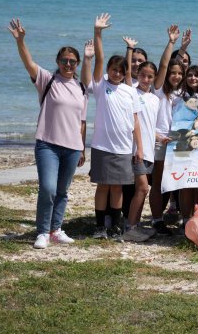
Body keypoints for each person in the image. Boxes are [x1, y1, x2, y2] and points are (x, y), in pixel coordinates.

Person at [9, 18, 87, 249]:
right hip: (48, 145)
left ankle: (56, 229)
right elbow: (28, 62)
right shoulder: (47, 79)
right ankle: (42, 231)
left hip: (73, 147)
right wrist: (21, 41)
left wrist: (82, 147)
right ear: (57, 61)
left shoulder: (81, 88)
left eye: (73, 61)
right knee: (48, 188)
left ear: (78, 63)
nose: (68, 64)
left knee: (62, 190)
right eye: (64, 60)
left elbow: (81, 121)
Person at [83, 13, 144, 239]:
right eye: (113, 69)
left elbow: (135, 121)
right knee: (103, 187)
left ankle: (116, 227)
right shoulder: (100, 86)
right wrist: (97, 33)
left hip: (123, 148)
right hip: (102, 145)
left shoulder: (130, 91)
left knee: (117, 188)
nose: (116, 73)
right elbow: (99, 59)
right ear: (108, 70)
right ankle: (100, 227)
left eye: (121, 71)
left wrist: (139, 148)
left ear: (125, 73)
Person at [150, 26, 188, 235]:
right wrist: (172, 43)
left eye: (179, 73)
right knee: (157, 182)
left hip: (179, 142)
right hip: (161, 140)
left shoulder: (183, 91)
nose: (175, 76)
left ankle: (183, 218)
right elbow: (164, 64)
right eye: (172, 73)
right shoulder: (158, 90)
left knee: (180, 182)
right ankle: (157, 220)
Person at [122, 37, 160, 242]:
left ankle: (133, 225)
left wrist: (161, 137)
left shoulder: (155, 99)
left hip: (149, 151)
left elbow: (149, 126)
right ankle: (130, 227)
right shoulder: (131, 92)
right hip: (137, 150)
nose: (146, 79)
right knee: (143, 188)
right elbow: (127, 73)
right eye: (143, 75)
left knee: (143, 189)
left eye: (150, 76)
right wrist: (130, 49)